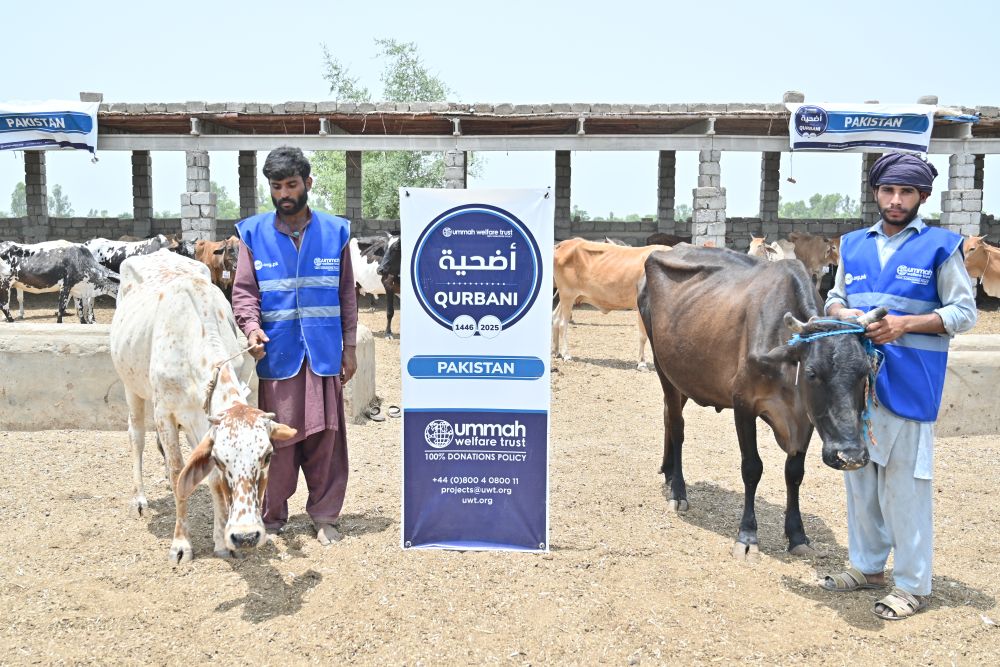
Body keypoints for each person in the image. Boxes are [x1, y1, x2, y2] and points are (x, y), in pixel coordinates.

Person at [820, 152, 977, 619]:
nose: (895, 200)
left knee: (905, 488)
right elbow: (834, 297)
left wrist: (906, 324)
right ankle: (867, 569)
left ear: (921, 197)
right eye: (888, 191)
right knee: (861, 481)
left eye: (906, 192)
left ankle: (912, 585)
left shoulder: (942, 247)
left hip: (910, 384)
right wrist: (840, 313)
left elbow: (964, 313)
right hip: (854, 387)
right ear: (876, 193)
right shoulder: (852, 244)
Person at [232, 146, 358, 545]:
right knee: (278, 441)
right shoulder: (252, 234)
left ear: (308, 184)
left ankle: (324, 516)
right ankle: (271, 518)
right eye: (276, 186)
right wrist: (251, 328)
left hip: (323, 356)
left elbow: (346, 296)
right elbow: (244, 293)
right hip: (279, 355)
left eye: (291, 184)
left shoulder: (336, 232)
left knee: (326, 439)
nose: (284, 193)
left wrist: (350, 347)